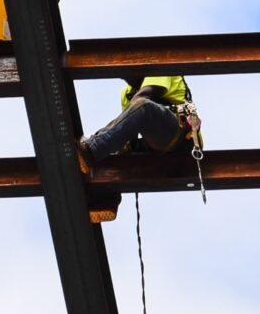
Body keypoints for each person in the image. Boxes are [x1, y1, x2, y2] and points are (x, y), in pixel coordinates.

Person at [74, 74, 203, 223]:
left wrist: (94, 142)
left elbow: (142, 101)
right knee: (115, 144)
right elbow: (124, 131)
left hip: (181, 140)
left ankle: (90, 149)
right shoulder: (127, 92)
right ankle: (106, 198)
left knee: (143, 107)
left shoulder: (160, 70)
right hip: (156, 146)